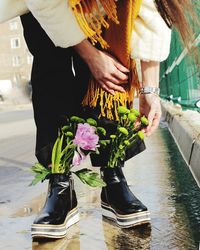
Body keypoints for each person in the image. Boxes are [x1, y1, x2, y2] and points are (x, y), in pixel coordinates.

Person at [0, 0, 197, 239]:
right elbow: (46, 4)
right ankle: (60, 184)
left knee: (112, 45)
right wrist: (91, 57)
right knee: (50, 59)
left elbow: (154, 8)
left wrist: (150, 89)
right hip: (44, 5)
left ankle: (113, 177)